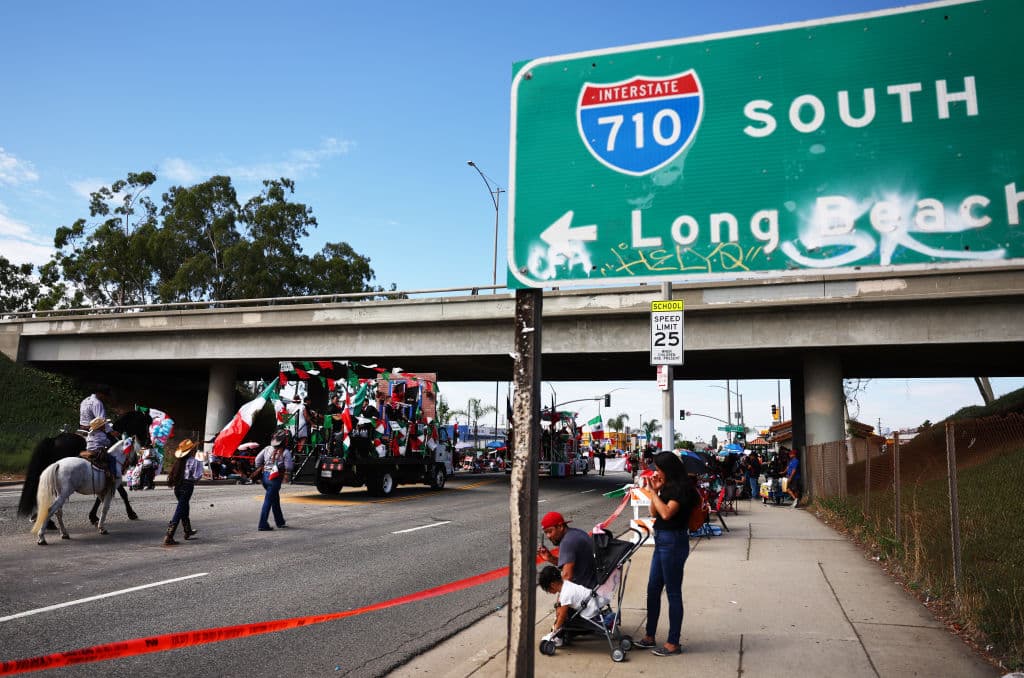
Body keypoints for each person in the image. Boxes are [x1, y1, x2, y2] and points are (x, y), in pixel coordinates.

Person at [635, 451, 700, 657]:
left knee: (673, 592)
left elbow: (666, 513)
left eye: (658, 469)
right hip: (662, 539)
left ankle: (673, 642)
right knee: (653, 588)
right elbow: (654, 513)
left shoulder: (682, 489)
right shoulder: (667, 487)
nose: (656, 472)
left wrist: (654, 493)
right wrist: (655, 490)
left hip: (673, 542)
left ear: (667, 469)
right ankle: (649, 635)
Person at [537, 564, 606, 638]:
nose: (548, 592)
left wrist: (555, 628)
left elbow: (562, 615)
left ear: (552, 585)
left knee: (566, 622)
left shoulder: (565, 594)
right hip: (595, 601)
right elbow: (561, 607)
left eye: (547, 589)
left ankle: (600, 627)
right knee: (566, 615)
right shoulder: (566, 584)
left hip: (591, 609)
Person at [536, 511, 597, 588]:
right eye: (546, 533)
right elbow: (569, 565)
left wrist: (561, 598)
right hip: (594, 584)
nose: (548, 536)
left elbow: (567, 576)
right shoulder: (574, 533)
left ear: (560, 527)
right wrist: (550, 558)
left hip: (588, 590)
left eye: (550, 531)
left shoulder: (567, 542)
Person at [163, 439, 204, 545]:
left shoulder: (178, 462)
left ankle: (187, 530)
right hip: (187, 486)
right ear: (191, 451)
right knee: (180, 509)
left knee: (184, 507)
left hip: (177, 487)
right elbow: (196, 477)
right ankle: (169, 535)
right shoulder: (195, 462)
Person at [254, 429, 294, 531]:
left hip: (265, 477)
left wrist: (264, 468)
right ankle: (262, 524)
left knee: (275, 499)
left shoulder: (267, 448)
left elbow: (257, 460)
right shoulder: (285, 452)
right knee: (268, 501)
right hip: (275, 478)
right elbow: (289, 467)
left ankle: (280, 521)